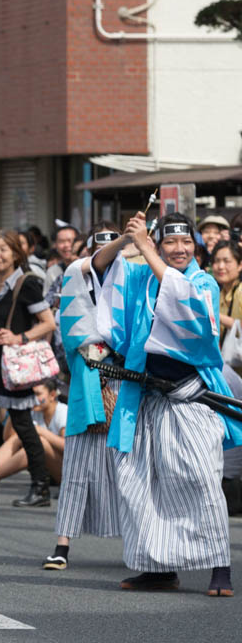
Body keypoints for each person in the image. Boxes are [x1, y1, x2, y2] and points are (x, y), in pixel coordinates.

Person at [93, 211, 237, 596]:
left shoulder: (202, 283)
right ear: (159, 243)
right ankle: (158, 568)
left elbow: (184, 304)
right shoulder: (140, 277)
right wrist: (128, 239)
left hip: (189, 398)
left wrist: (145, 247)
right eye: (170, 242)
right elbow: (99, 267)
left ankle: (219, 567)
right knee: (141, 482)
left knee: (200, 478)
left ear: (196, 247)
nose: (179, 249)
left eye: (186, 242)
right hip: (144, 397)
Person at [45, 228, 124, 571]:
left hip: (126, 380)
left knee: (129, 469)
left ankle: (138, 542)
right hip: (87, 378)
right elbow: (72, 330)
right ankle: (62, 544)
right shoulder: (76, 273)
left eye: (112, 246)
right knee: (76, 467)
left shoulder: (129, 278)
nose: (106, 254)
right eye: (99, 247)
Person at [0, 230, 57, 506]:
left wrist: (20, 338)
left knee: (23, 426)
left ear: (17, 253)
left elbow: (48, 322)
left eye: (3, 249)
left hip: (12, 369)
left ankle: (40, 487)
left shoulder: (26, 283)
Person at [0, 379, 66, 482]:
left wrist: (41, 431)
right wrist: (16, 410)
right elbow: (9, 438)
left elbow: (67, 446)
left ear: (52, 395)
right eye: (32, 395)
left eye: (38, 394)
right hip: (47, 471)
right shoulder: (35, 410)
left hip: (65, 472)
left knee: (37, 443)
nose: (34, 399)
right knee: (24, 438)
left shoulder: (63, 411)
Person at [211, 242, 242, 372]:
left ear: (240, 265)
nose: (220, 266)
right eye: (216, 261)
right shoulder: (218, 294)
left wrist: (213, 314)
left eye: (226, 261)